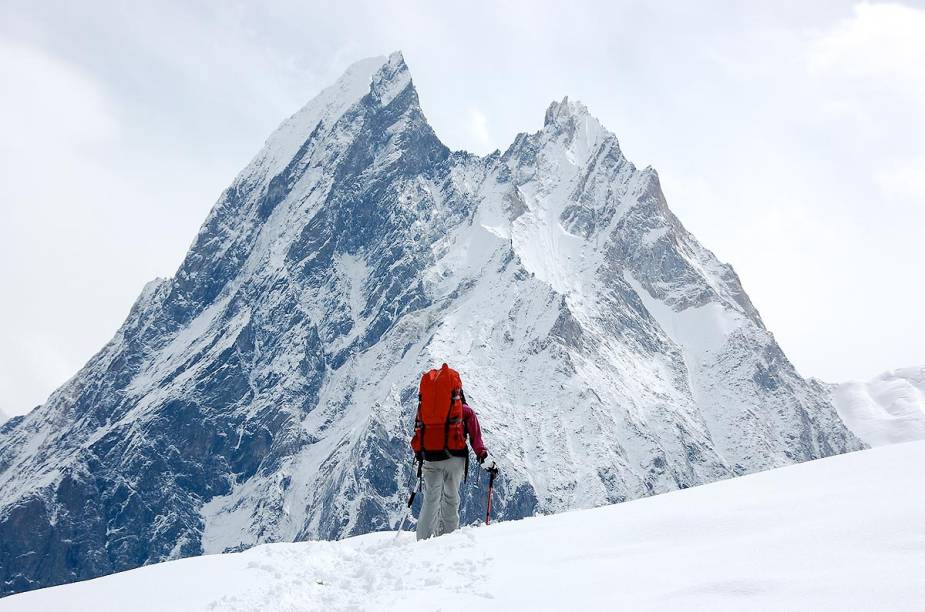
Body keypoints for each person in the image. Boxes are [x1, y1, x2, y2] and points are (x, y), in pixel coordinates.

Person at [411, 365, 490, 541]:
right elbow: (476, 437)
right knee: (451, 498)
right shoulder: (463, 410)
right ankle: (447, 540)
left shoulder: (425, 409)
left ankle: (422, 541)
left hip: (430, 457)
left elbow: (418, 431)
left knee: (430, 500)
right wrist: (481, 453)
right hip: (455, 458)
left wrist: (419, 454)